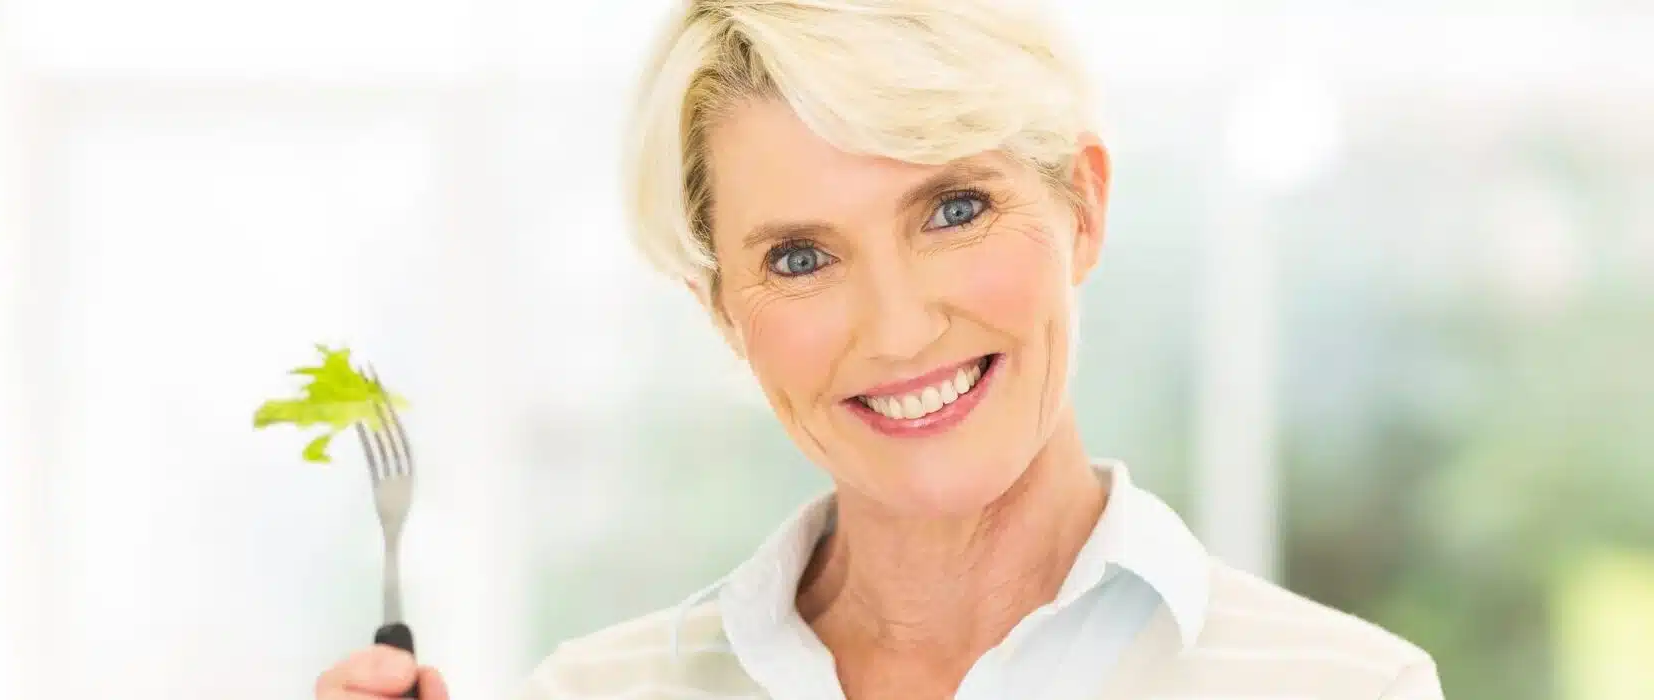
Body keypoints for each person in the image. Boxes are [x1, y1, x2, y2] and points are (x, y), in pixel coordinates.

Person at [318, 1, 1444, 698]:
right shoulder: (594, 694)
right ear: (724, 314)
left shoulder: (1342, 690)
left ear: (1082, 209)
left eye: (952, 208)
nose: (898, 327)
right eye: (800, 258)